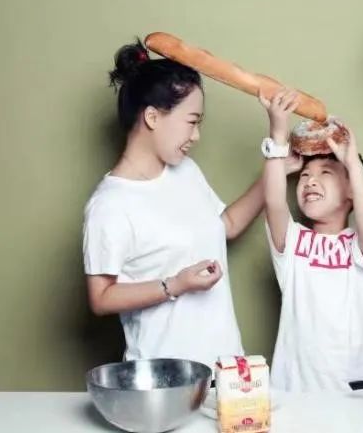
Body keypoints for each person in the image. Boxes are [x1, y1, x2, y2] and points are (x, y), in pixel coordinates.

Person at [83, 40, 264, 368]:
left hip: (225, 370)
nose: (196, 136)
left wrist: (278, 164)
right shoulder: (110, 204)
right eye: (192, 121)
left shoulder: (185, 171)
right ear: (152, 117)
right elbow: (101, 297)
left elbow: (227, 225)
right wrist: (175, 285)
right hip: (164, 377)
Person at [259, 89, 363, 392]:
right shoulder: (293, 242)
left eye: (326, 173)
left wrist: (353, 164)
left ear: (352, 191)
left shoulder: (360, 246)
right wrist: (278, 135)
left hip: (356, 397)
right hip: (296, 395)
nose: (310, 181)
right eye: (305, 175)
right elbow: (274, 201)